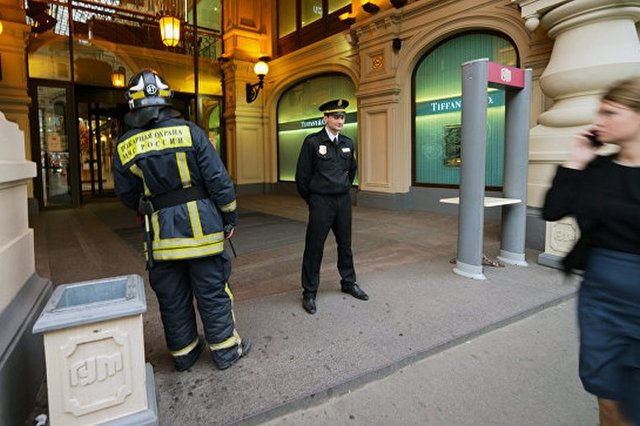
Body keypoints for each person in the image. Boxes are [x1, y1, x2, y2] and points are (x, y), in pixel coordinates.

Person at [113, 69, 250, 371]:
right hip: (203, 231)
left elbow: (125, 194)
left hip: (160, 238)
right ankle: (226, 351)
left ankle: (184, 355)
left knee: (172, 299)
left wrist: (150, 205)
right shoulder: (191, 132)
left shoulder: (124, 145)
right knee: (213, 292)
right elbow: (219, 181)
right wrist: (229, 216)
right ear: (166, 99)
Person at [542, 77, 640, 426]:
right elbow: (553, 210)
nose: (599, 121)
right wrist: (576, 160)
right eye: (599, 112)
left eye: (610, 113)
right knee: (608, 394)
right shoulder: (597, 168)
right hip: (601, 295)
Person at [295, 98, 369, 315]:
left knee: (345, 244)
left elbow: (352, 170)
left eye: (342, 116)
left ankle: (348, 282)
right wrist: (313, 200)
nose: (340, 120)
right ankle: (309, 291)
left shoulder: (347, 142)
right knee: (314, 246)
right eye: (335, 116)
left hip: (343, 200)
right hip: (321, 201)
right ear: (325, 118)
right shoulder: (312, 142)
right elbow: (302, 177)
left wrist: (344, 187)